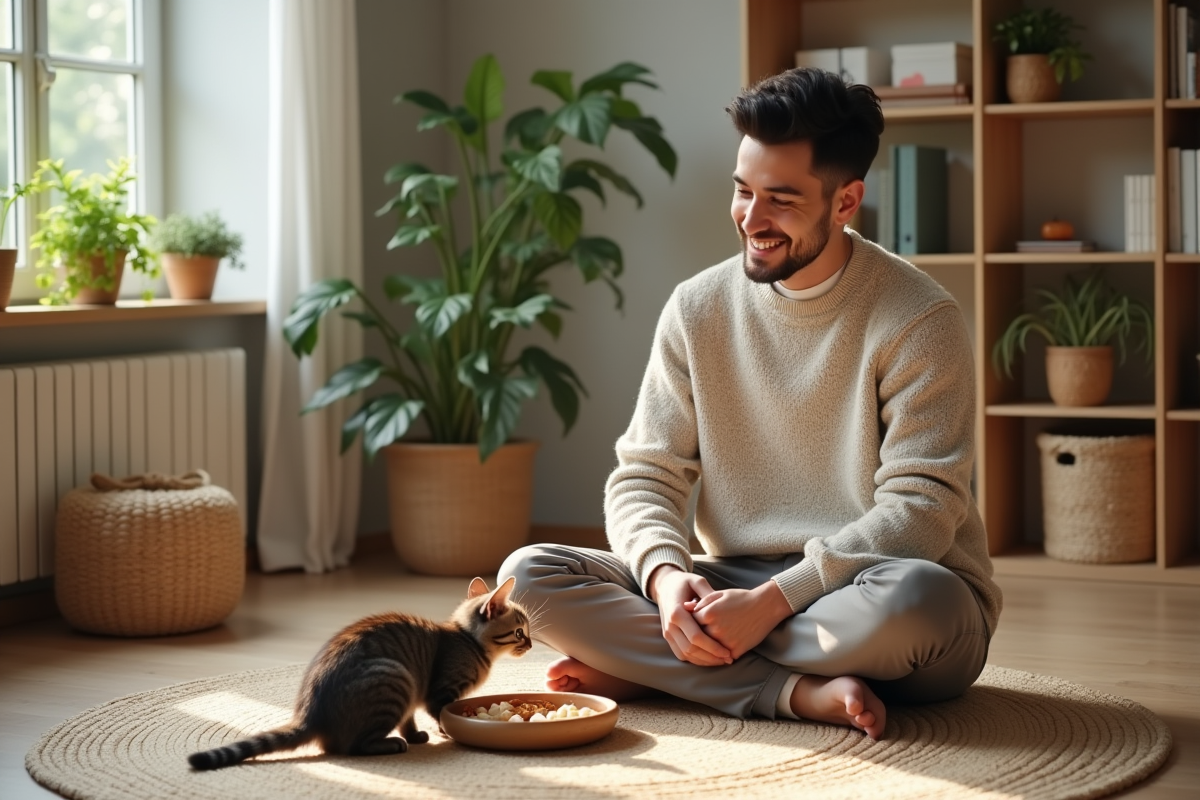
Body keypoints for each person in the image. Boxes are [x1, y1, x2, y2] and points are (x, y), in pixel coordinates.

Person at [499, 67, 1001, 740]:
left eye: (782, 200)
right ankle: (792, 693)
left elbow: (923, 512)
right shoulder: (697, 307)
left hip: (874, 590)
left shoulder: (919, 318)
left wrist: (772, 604)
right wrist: (668, 581)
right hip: (733, 580)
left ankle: (664, 663)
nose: (751, 220)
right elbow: (646, 475)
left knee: (921, 605)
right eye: (742, 191)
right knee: (528, 576)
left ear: (846, 202)